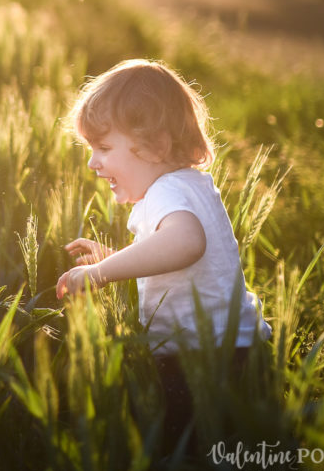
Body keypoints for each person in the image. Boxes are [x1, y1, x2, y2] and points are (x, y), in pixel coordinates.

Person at [55, 59, 271, 448]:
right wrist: (114, 257)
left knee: (156, 443)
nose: (92, 162)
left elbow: (187, 244)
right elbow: (173, 258)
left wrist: (100, 273)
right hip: (238, 353)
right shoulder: (188, 186)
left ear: (155, 146)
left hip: (206, 361)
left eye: (103, 147)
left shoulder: (166, 193)